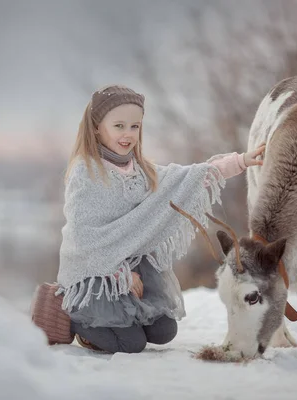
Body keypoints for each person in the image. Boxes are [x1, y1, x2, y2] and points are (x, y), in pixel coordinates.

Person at [34, 84, 265, 354]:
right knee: (131, 344)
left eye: (135, 126)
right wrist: (120, 274)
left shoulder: (142, 169)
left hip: (134, 270)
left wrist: (242, 161)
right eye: (118, 125)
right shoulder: (86, 172)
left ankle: (119, 320)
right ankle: (76, 319)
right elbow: (84, 238)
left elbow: (189, 179)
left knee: (164, 331)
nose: (128, 134)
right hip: (95, 277)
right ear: (97, 126)